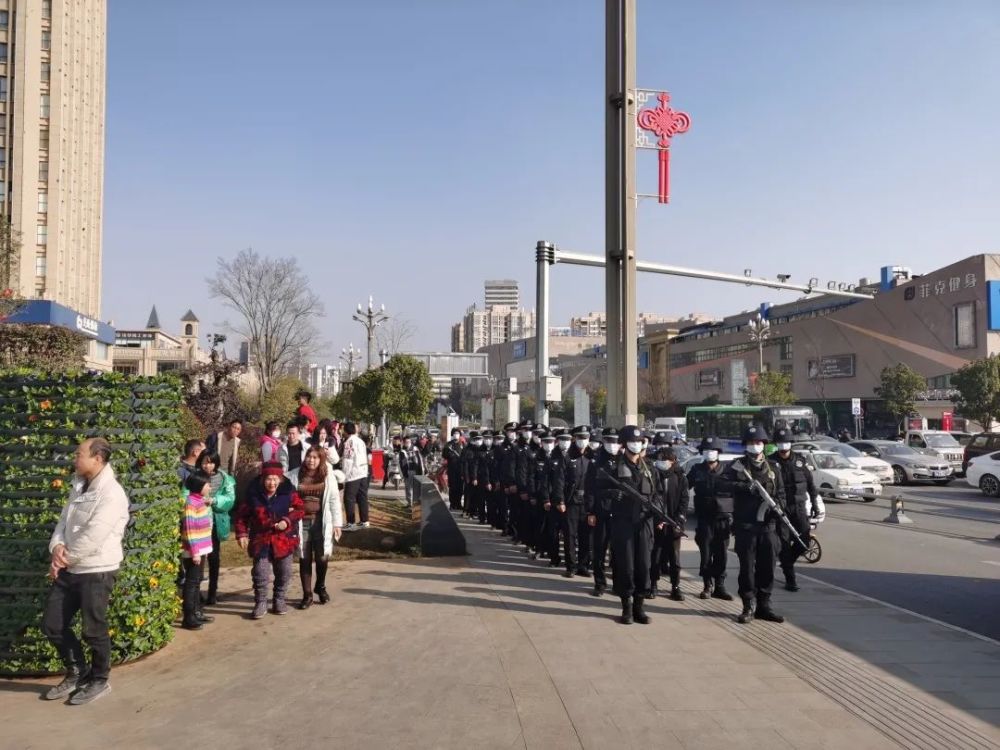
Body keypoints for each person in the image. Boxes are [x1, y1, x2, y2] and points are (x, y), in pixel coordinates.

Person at [42, 437, 130, 705]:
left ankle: (99, 680)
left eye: (79, 454)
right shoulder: (79, 486)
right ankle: (77, 671)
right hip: (71, 567)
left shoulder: (112, 494)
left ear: (97, 459)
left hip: (97, 570)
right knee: (52, 624)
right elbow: (63, 522)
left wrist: (62, 560)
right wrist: (56, 546)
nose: (74, 458)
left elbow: (94, 536)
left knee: (93, 630)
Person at [723, 424, 785, 624]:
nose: (754, 446)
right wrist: (744, 487)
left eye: (758, 442)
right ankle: (748, 605)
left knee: (768, 568)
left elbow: (782, 494)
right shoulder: (736, 465)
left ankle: (764, 606)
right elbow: (721, 484)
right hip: (746, 527)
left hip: (768, 527)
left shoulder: (774, 468)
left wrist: (778, 506)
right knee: (747, 569)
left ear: (764, 445)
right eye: (750, 443)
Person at [604, 425, 660, 625]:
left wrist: (659, 512)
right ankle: (626, 607)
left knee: (644, 565)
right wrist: (612, 495)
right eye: (633, 441)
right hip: (623, 524)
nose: (637, 444)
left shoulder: (650, 468)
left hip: (644, 523)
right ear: (624, 444)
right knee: (625, 566)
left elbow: (657, 494)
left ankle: (639, 607)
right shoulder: (613, 468)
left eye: (640, 441)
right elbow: (598, 491)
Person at [236, 462, 304, 618]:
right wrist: (241, 534)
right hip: (261, 538)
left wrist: (287, 520)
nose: (272, 483)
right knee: (260, 572)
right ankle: (260, 602)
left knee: (285, 571)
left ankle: (279, 599)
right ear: (262, 479)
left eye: (275, 479)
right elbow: (242, 516)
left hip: (284, 538)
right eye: (268, 479)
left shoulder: (288, 492)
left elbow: (300, 509)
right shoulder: (253, 493)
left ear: (280, 479)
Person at [286, 446, 343, 608]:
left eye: (315, 458)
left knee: (322, 557)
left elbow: (333, 500)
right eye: (309, 457)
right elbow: (286, 496)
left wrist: (338, 523)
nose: (311, 460)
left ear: (321, 460)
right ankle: (307, 595)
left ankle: (320, 586)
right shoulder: (294, 475)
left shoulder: (327, 475)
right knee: (304, 558)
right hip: (301, 522)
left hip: (321, 522)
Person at [771, 428, 824, 592]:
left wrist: (815, 504)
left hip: (799, 508)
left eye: (786, 442)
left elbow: (810, 485)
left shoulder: (800, 461)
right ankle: (790, 579)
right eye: (780, 443)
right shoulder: (771, 462)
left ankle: (787, 562)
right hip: (781, 509)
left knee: (805, 542)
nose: (783, 446)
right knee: (785, 545)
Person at [687, 436, 733, 601]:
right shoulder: (697, 470)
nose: (710, 453)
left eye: (713, 450)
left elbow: (736, 493)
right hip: (704, 518)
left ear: (719, 452)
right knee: (706, 553)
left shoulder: (728, 471)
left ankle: (720, 586)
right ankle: (707, 585)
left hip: (723, 519)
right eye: (706, 450)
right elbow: (684, 486)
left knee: (722, 554)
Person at [193, 449, 236, 606]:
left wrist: (216, 501)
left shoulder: (225, 478)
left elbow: (230, 499)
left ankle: (212, 592)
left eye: (211, 462)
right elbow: (185, 495)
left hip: (215, 523)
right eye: (205, 461)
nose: (207, 465)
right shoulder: (195, 476)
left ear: (216, 463)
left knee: (214, 557)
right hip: (197, 523)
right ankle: (196, 593)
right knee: (197, 559)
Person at [649, 443, 688, 600]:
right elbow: (651, 499)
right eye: (659, 459)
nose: (661, 462)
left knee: (674, 558)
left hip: (674, 524)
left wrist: (678, 519)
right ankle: (653, 585)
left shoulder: (680, 477)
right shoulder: (653, 475)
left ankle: (675, 587)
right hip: (657, 523)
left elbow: (684, 501)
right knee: (655, 556)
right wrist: (657, 518)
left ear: (672, 461)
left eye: (664, 459)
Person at [584, 427, 620, 597]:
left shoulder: (623, 460)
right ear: (604, 442)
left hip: (620, 513)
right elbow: (590, 489)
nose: (612, 445)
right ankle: (600, 583)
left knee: (619, 551)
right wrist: (590, 512)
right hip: (600, 511)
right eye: (609, 441)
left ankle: (618, 582)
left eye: (615, 441)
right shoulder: (596, 462)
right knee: (600, 549)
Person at [180, 472, 214, 630]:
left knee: (196, 582)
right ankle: (188, 617)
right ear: (199, 486)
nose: (210, 487)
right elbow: (190, 529)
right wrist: (195, 552)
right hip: (194, 551)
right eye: (207, 484)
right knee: (191, 583)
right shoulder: (190, 503)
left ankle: (196, 611)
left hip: (201, 549)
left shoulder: (199, 501)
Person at [559, 426, 590, 578]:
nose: (582, 441)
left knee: (585, 536)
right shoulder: (568, 457)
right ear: (574, 439)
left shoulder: (592, 457)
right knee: (570, 535)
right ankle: (570, 566)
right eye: (579, 438)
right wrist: (561, 500)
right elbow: (560, 481)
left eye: (585, 438)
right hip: (571, 502)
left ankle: (583, 566)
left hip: (587, 503)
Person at [341, 422, 370, 531]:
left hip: (353, 473)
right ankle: (364, 520)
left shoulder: (349, 442)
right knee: (362, 497)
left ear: (346, 431)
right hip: (363, 471)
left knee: (349, 498)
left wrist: (345, 476)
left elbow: (348, 459)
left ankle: (351, 523)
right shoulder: (360, 441)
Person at [495, 422, 519, 535]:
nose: (512, 433)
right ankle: (505, 527)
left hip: (517, 481)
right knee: (504, 506)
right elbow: (497, 466)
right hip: (504, 480)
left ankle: (515, 529)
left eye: (514, 431)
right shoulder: (501, 447)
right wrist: (498, 480)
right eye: (510, 431)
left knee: (515, 508)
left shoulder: (520, 446)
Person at [442, 428, 465, 512]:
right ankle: (452, 504)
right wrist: (449, 454)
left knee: (460, 487)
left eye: (458, 433)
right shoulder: (448, 445)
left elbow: (466, 455)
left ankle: (458, 504)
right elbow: (444, 455)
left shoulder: (463, 444)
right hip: (452, 469)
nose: (456, 435)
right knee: (452, 487)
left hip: (461, 469)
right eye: (455, 433)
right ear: (452, 434)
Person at [402, 434, 426, 507]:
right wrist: (403, 473)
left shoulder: (415, 449)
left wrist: (422, 470)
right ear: (404, 443)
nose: (407, 443)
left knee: (417, 488)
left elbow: (420, 460)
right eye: (406, 442)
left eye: (409, 441)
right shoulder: (403, 451)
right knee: (408, 488)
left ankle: (416, 503)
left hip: (416, 471)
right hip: (408, 471)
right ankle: (409, 503)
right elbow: (402, 463)